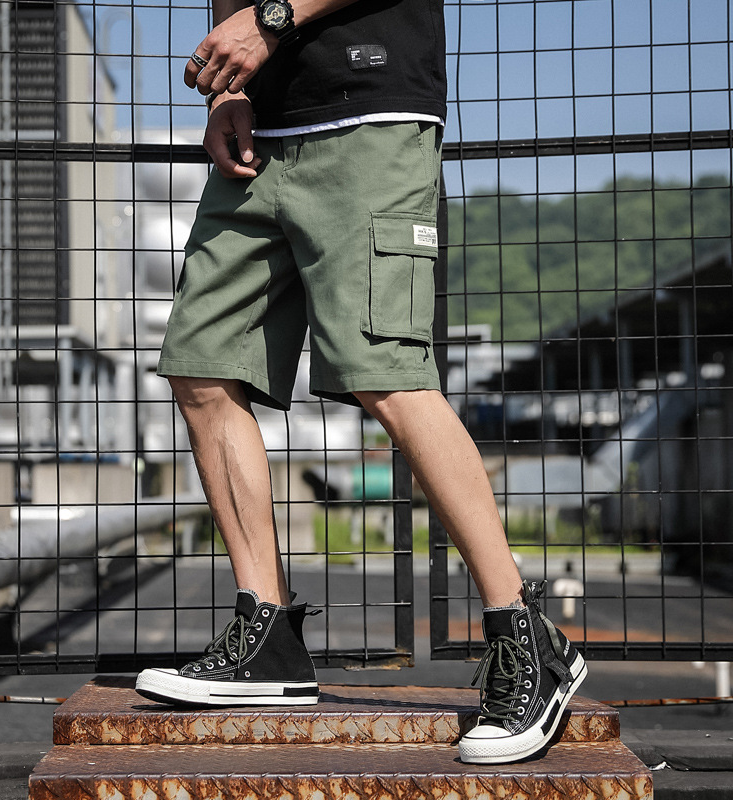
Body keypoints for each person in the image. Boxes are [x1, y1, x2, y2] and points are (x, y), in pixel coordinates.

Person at [135, 0, 587, 764]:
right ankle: (268, 639)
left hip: (369, 118)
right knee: (201, 366)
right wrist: (225, 93)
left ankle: (526, 637)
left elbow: (258, 15)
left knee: (387, 376)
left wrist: (271, 20)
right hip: (259, 133)